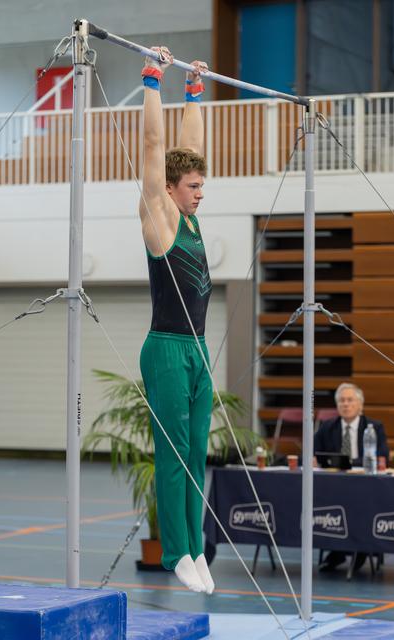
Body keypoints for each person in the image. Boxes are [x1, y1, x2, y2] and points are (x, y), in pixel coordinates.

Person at [139, 46, 214, 594]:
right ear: (169, 190)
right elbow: (156, 148)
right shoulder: (160, 218)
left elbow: (189, 151)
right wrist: (152, 80)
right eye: (192, 187)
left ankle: (196, 545)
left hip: (198, 348)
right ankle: (176, 552)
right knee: (173, 450)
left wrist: (195, 88)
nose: (200, 193)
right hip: (165, 346)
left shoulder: (189, 214)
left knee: (196, 450)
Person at [314, 382, 389, 573]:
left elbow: (382, 457)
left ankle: (360, 550)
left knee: (359, 503)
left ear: (360, 405)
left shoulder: (374, 427)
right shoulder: (327, 427)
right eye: (341, 401)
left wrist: (349, 463)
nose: (345, 404)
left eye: (350, 400)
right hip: (334, 486)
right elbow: (315, 456)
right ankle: (336, 551)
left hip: (366, 486)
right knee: (327, 505)